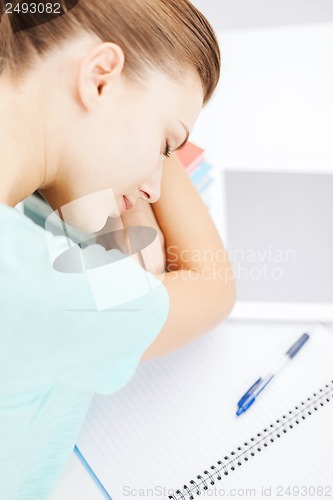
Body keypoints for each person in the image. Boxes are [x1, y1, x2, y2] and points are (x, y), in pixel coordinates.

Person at [0, 0, 236, 498]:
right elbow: (210, 284)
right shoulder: (46, 285)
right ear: (101, 77)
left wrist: (129, 139)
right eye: (167, 145)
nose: (154, 187)